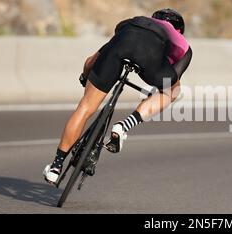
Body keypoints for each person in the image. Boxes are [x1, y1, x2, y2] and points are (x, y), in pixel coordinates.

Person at [43, 8, 193, 184]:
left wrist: (86, 78)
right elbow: (172, 79)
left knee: (85, 108)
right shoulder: (183, 44)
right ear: (179, 30)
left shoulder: (134, 21)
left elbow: (93, 59)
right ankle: (124, 126)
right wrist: (156, 91)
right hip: (152, 57)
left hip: (123, 42)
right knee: (172, 91)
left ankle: (56, 166)